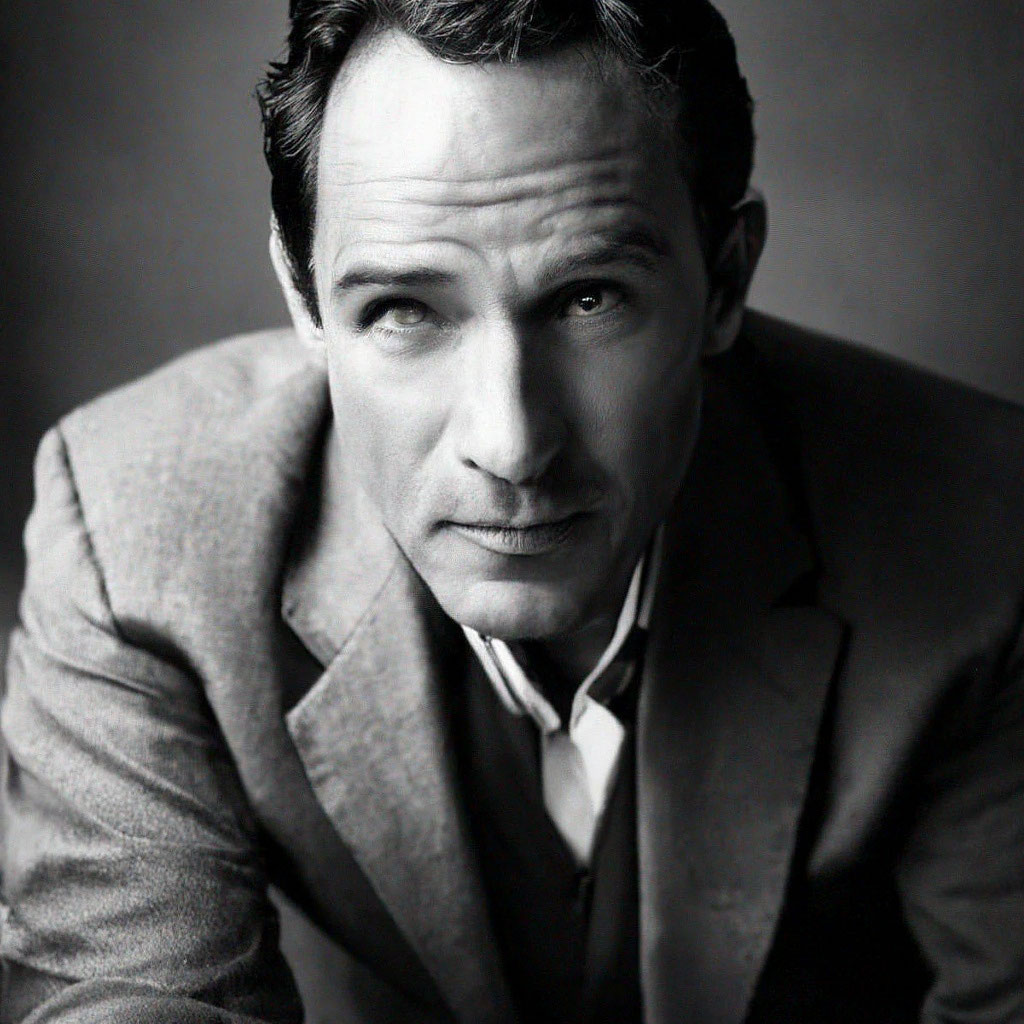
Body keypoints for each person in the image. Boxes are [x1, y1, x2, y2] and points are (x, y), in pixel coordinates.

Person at [3, 1, 1023, 1021]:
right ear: (305, 300)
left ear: (724, 281)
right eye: (404, 310)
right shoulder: (134, 538)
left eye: (589, 298)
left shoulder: (985, 529)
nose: (510, 443)